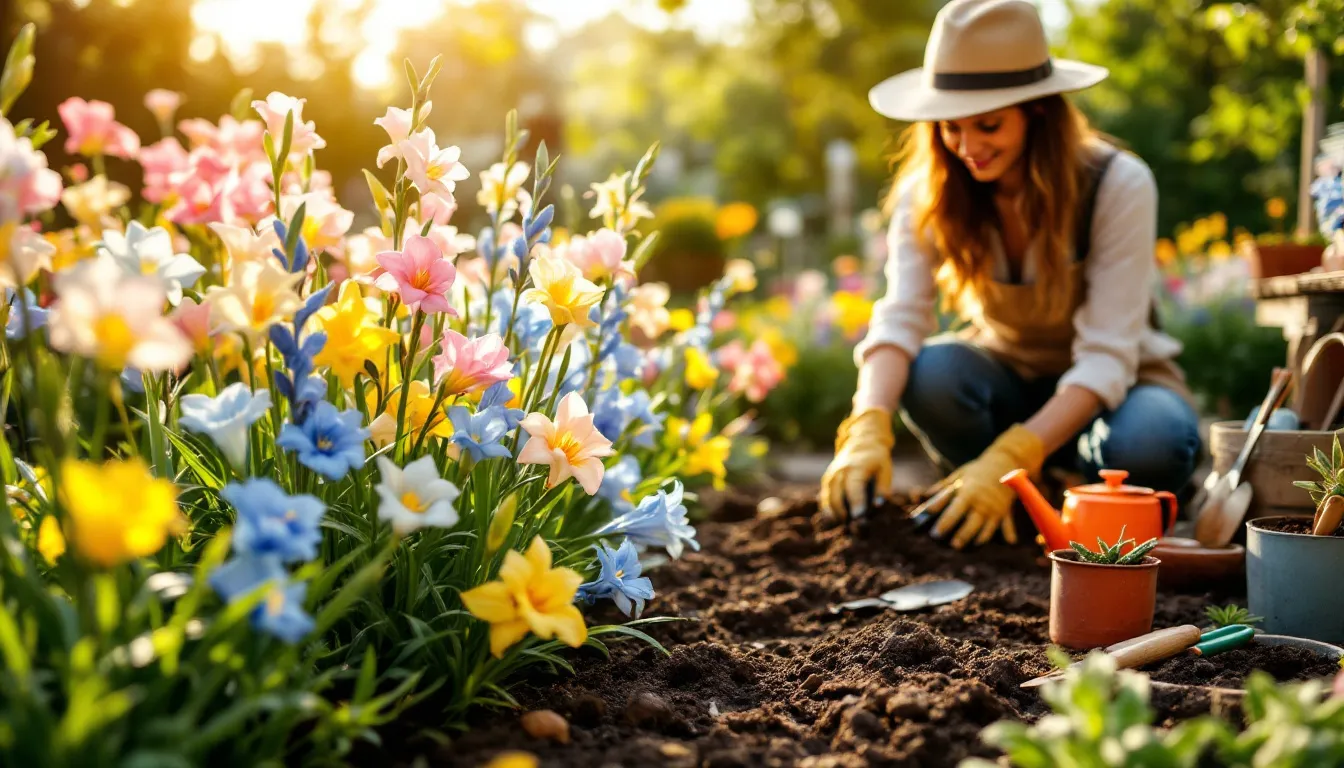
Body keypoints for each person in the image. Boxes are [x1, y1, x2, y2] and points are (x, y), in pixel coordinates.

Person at [819, 0, 1201, 549]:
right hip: (1009, 382)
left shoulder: (1117, 184)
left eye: (989, 125)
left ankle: (1069, 493)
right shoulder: (926, 195)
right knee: (931, 374)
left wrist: (1010, 455)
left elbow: (1106, 358)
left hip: (1121, 391)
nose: (968, 148)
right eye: (950, 127)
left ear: (1038, 111)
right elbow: (901, 317)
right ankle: (1017, 499)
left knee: (1153, 441)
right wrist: (866, 425)